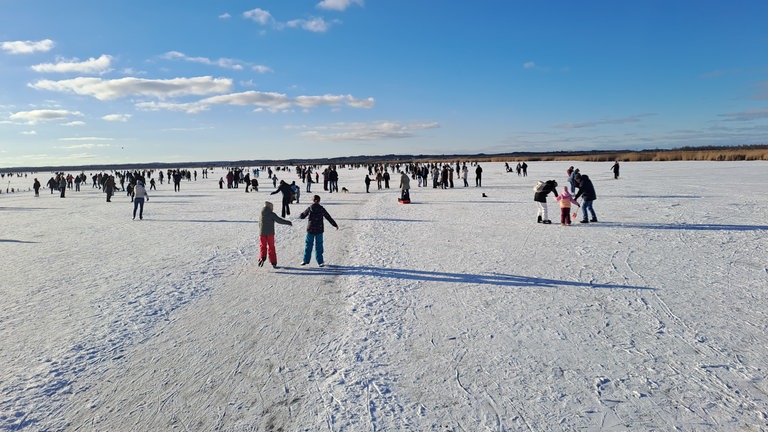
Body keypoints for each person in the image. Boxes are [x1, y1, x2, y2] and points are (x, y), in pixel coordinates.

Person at [299, 195, 338, 267]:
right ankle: (320, 262)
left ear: (313, 200)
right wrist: (334, 224)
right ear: (319, 201)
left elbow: (302, 216)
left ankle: (305, 260)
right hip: (319, 229)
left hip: (310, 229)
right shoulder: (321, 209)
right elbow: (328, 217)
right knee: (319, 245)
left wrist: (301, 215)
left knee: (308, 245)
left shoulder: (309, 208)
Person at [258, 201, 292, 269]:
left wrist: (261, 231)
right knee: (271, 247)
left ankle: (262, 257)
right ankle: (273, 262)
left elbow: (259, 223)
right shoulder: (272, 214)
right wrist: (288, 222)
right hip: (270, 233)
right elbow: (279, 220)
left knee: (262, 246)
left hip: (262, 233)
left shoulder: (261, 213)